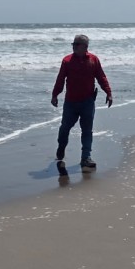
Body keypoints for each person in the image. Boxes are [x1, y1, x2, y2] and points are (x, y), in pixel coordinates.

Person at [51, 34, 112, 170]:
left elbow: (101, 77)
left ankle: (86, 157)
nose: (74, 46)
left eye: (77, 44)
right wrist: (55, 95)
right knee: (65, 128)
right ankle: (61, 147)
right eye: (73, 44)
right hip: (71, 102)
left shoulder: (93, 60)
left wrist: (108, 92)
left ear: (85, 47)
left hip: (88, 101)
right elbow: (60, 79)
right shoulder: (67, 61)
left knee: (87, 130)